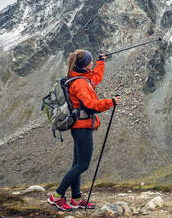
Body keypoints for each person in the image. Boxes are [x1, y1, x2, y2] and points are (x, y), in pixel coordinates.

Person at [47, 49, 120, 211]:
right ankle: (57, 196)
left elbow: (95, 78)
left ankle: (76, 198)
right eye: (91, 62)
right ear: (85, 65)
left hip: (80, 126)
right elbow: (90, 105)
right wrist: (110, 101)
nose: (92, 63)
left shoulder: (80, 77)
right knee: (83, 165)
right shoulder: (80, 83)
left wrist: (101, 62)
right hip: (82, 128)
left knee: (77, 163)